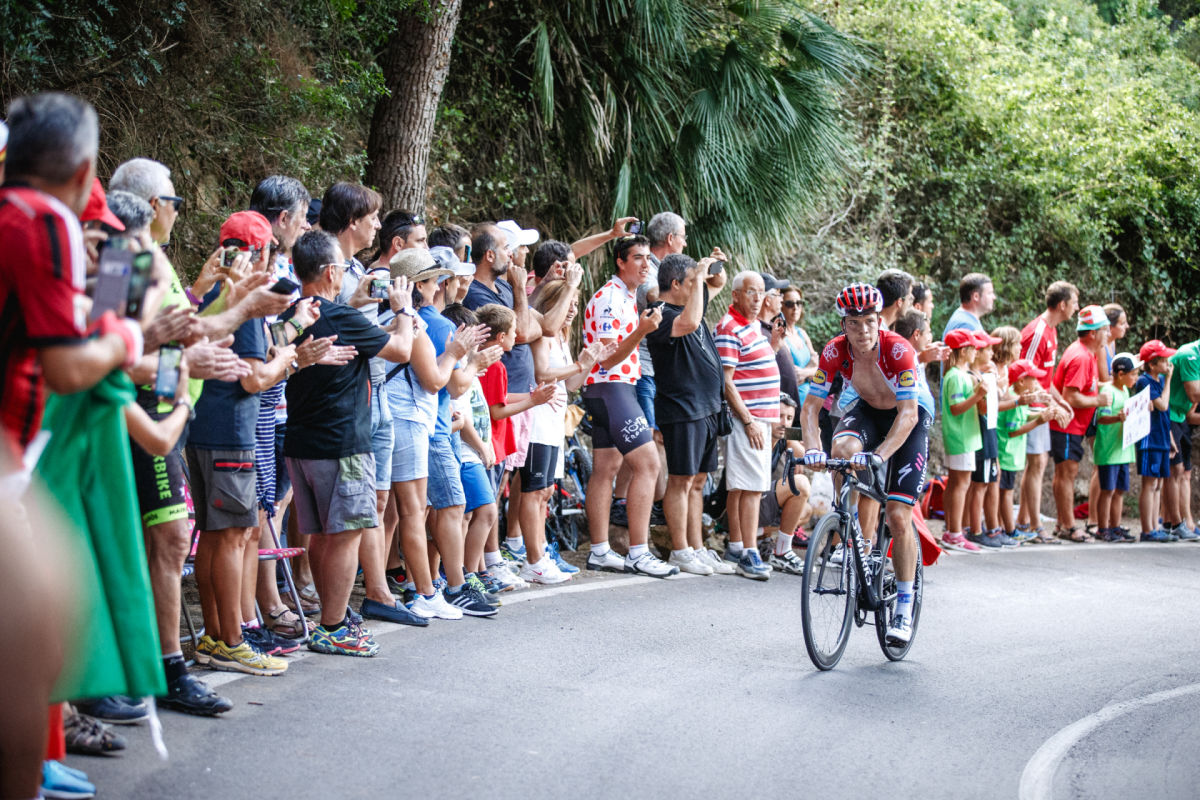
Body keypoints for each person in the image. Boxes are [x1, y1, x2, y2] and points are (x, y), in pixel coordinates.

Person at [0, 91, 141, 800]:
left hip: (27, 450)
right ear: (85, 173)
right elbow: (72, 361)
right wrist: (127, 338)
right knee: (37, 638)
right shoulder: (44, 218)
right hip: (17, 452)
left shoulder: (25, 216)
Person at [281, 229, 415, 655]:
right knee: (346, 533)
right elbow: (402, 350)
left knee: (323, 534)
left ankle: (330, 617)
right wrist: (403, 309)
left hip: (301, 443)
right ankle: (334, 625)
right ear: (331, 272)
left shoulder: (292, 315)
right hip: (342, 445)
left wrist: (358, 305)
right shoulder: (340, 317)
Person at [800, 282, 931, 645]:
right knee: (842, 448)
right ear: (843, 325)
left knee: (898, 515)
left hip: (910, 416)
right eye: (854, 323)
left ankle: (903, 607)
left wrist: (879, 455)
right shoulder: (834, 351)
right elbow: (810, 408)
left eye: (870, 321)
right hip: (869, 410)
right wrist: (812, 449)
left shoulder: (899, 350)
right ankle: (849, 524)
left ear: (880, 321)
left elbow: (908, 415)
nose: (863, 330)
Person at [580, 234, 677, 577]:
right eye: (637, 257)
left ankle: (599, 551)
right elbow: (606, 359)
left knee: (606, 468)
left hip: (612, 388)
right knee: (648, 464)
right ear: (620, 262)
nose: (646, 264)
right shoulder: (610, 297)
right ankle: (638, 552)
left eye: (648, 258)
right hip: (611, 388)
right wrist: (642, 330)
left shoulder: (624, 295)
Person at [644, 253, 734, 576]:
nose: (699, 287)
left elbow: (718, 282)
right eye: (693, 282)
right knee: (681, 480)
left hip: (707, 408)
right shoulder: (657, 314)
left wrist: (712, 267)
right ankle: (679, 550)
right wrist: (699, 275)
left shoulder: (691, 302)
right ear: (675, 284)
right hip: (682, 409)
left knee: (698, 481)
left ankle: (697, 548)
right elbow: (691, 324)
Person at [715, 271, 784, 581]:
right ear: (735, 295)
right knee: (752, 487)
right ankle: (749, 552)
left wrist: (774, 346)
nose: (758, 299)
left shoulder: (752, 325)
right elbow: (726, 381)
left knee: (742, 485)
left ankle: (736, 547)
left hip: (758, 418)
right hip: (748, 419)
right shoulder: (729, 327)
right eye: (751, 292)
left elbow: (754, 368)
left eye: (761, 292)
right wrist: (748, 420)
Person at [1017, 281, 1078, 543]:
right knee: (1037, 463)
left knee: (1037, 463)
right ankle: (1034, 526)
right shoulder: (1038, 332)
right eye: (1074, 302)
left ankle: (1024, 521)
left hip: (1042, 403)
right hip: (1031, 406)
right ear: (1062, 304)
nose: (1076, 308)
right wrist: (1045, 405)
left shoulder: (1052, 331)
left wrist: (1060, 401)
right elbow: (1023, 373)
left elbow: (1045, 377)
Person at [1050, 305, 1112, 543]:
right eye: (1105, 330)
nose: (1108, 335)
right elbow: (1071, 396)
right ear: (1093, 333)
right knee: (1067, 473)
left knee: (1065, 473)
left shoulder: (1088, 353)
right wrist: (1098, 400)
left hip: (1072, 426)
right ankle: (1068, 525)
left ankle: (1062, 522)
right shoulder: (1081, 356)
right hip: (1067, 425)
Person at [996, 360, 1056, 541]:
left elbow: (1024, 416)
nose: (1036, 383)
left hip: (1011, 455)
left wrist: (1042, 415)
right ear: (1021, 381)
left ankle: (1004, 528)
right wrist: (1039, 421)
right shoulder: (1014, 400)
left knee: (1006, 491)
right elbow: (1013, 431)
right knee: (1006, 492)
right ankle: (1009, 530)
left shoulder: (1019, 398)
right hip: (1007, 454)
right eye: (1033, 379)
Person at [938, 329, 985, 553]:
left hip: (962, 437)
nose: (976, 352)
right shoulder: (956, 376)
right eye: (973, 348)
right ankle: (955, 533)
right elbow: (956, 408)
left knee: (956, 483)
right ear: (964, 351)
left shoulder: (957, 375)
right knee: (961, 484)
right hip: (961, 437)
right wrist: (978, 395)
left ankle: (952, 530)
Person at [761, 394, 812, 574]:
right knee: (800, 484)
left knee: (806, 510)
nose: (784, 422)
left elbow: (806, 456)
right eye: (779, 416)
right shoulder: (760, 431)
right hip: (740, 505)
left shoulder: (784, 435)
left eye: (789, 418)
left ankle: (760, 536)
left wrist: (795, 439)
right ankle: (781, 551)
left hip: (760, 501)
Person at [1094, 353, 1141, 542]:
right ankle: (1102, 528)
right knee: (1108, 490)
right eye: (1133, 374)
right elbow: (1101, 418)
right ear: (1120, 374)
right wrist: (1117, 418)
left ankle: (1115, 526)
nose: (1136, 378)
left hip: (1123, 450)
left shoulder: (1125, 391)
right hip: (1109, 450)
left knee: (1119, 490)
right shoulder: (1108, 391)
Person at [1134, 340, 1177, 542]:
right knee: (1150, 483)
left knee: (1159, 483)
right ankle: (1147, 529)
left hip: (1162, 437)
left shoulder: (1158, 380)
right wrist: (1168, 381)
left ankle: (1155, 526)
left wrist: (1170, 438)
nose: (1168, 363)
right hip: (1149, 439)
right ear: (1152, 364)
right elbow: (1162, 405)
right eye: (1164, 360)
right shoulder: (1144, 381)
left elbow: (1164, 414)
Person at [1165, 336, 1200, 539]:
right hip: (1168, 414)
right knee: (1174, 470)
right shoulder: (1189, 355)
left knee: (1183, 471)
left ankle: (1177, 522)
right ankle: (1176, 523)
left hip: (1181, 416)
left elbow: (1191, 412)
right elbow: (1195, 394)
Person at [780, 286, 818, 406]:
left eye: (799, 303)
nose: (795, 308)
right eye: (790, 304)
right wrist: (811, 369)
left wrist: (805, 373)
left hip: (810, 400)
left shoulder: (802, 333)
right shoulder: (779, 335)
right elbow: (791, 374)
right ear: (781, 306)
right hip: (790, 403)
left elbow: (820, 369)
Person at [942, 272, 994, 339]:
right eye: (990, 293)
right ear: (976, 296)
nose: (994, 297)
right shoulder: (966, 326)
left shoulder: (966, 319)